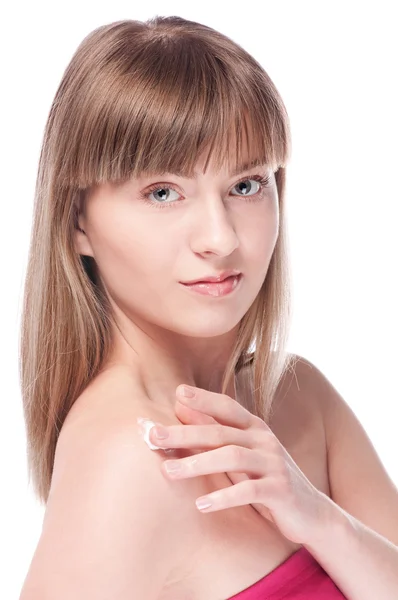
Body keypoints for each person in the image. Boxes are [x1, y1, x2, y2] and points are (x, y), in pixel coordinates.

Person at [18, 16, 398, 600]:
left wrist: (322, 521)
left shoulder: (300, 397)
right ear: (77, 223)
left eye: (246, 185)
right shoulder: (126, 459)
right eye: (163, 193)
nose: (219, 239)